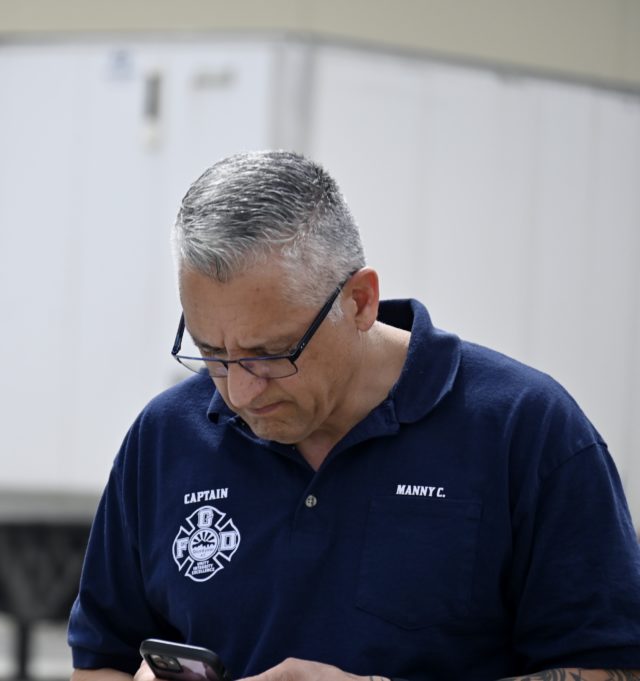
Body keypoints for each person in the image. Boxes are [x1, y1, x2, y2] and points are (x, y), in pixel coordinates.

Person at [66, 151, 640, 681]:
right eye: (211, 352)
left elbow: (612, 667)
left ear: (360, 301)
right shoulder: (164, 437)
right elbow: (101, 659)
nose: (238, 391)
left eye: (272, 353)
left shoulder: (525, 429)